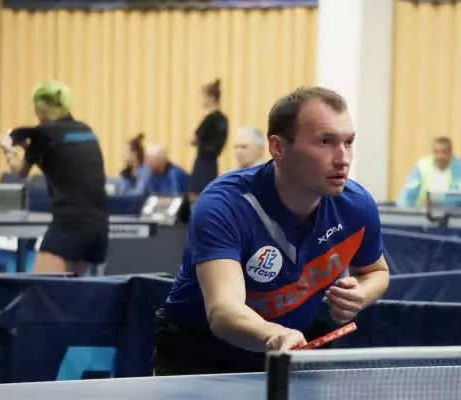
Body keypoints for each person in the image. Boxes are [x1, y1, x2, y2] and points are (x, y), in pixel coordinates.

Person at [153, 86, 390, 375]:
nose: (343, 158)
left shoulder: (357, 206)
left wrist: (359, 295)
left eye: (348, 142)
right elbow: (224, 311)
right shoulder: (223, 205)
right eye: (325, 141)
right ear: (278, 147)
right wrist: (273, 335)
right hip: (198, 352)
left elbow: (376, 272)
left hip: (286, 345)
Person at [0, 81, 108, 276]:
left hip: (70, 225)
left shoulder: (42, 134)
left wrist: (8, 151)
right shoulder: (85, 130)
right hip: (98, 228)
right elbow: (60, 159)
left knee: (42, 290)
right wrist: (29, 148)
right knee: (75, 292)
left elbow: (20, 171)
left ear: (39, 110)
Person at [397, 137, 461, 208]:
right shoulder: (422, 166)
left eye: (444, 152)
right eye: (436, 152)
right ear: (432, 153)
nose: (440, 156)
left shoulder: (460, 168)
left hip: (450, 212)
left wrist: (440, 203)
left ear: (450, 153)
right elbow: (407, 194)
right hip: (421, 211)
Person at [188, 79, 228, 202]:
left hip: (203, 162)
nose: (202, 100)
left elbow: (193, 139)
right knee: (210, 194)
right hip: (213, 163)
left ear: (211, 98)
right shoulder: (223, 119)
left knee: (196, 196)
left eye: (204, 97)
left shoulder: (209, 119)